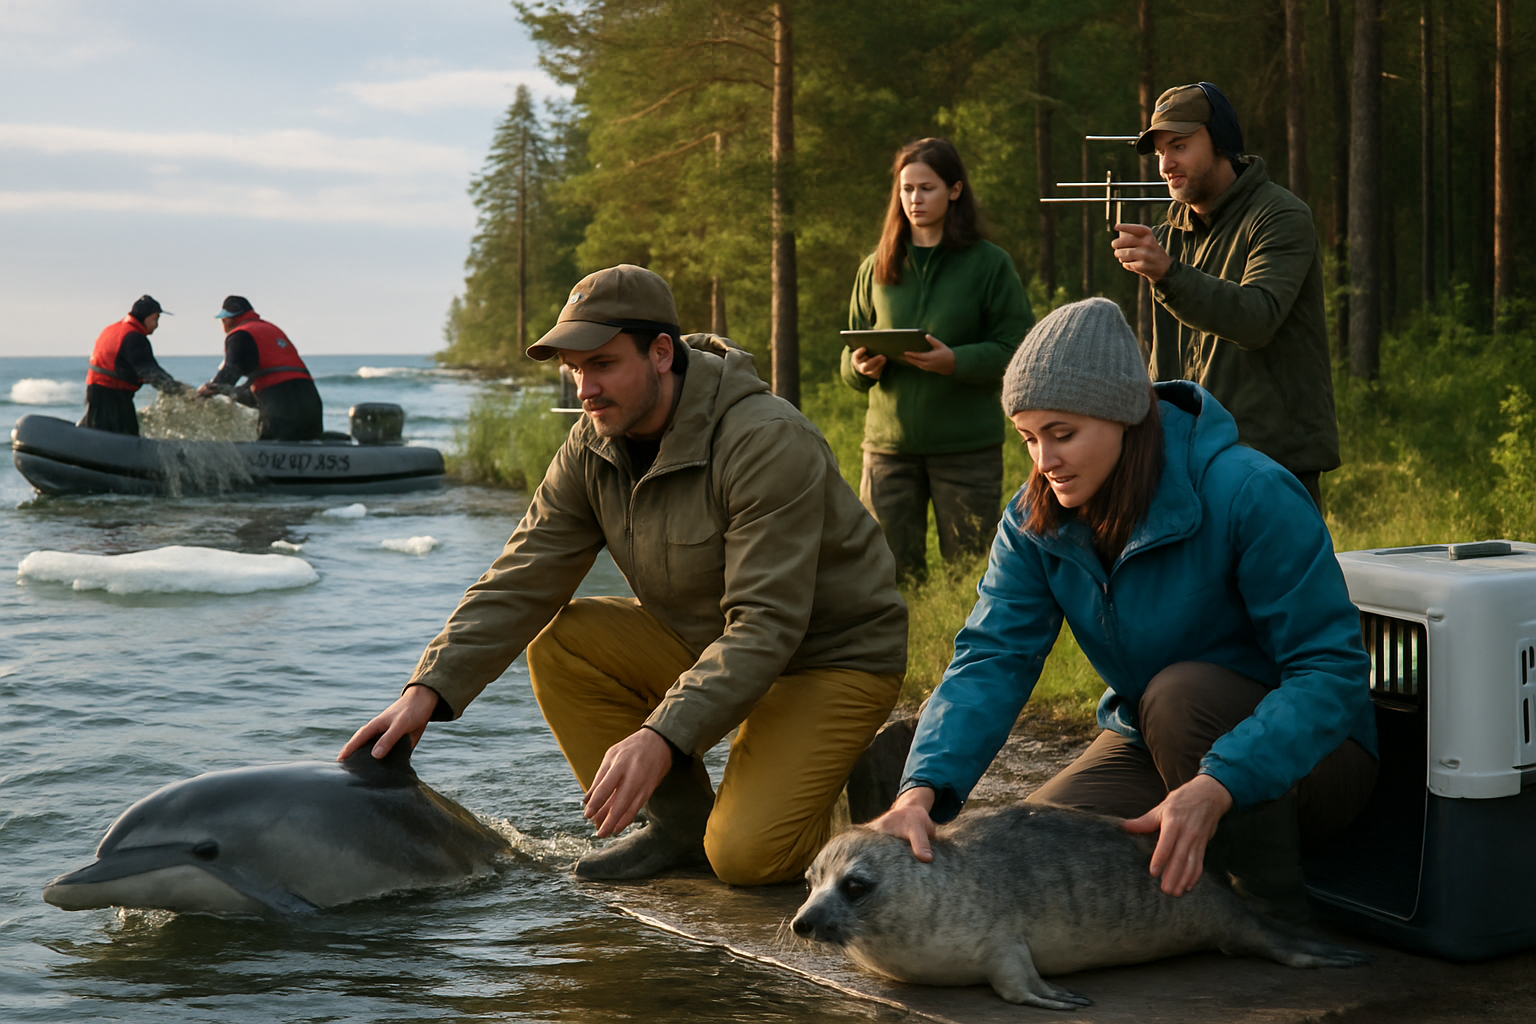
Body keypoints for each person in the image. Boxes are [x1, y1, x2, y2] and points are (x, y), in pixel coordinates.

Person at [339, 264, 908, 887]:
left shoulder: (765, 440)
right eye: (575, 368)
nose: (584, 387)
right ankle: (678, 828)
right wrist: (426, 689)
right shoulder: (591, 445)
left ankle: (865, 791)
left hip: (828, 658)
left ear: (661, 353)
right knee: (563, 640)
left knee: (747, 860)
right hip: (708, 643)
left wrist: (661, 736)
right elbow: (522, 575)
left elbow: (768, 623)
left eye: (602, 364)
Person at [872, 298, 1377, 921]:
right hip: (1150, 739)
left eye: (1063, 434)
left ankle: (1268, 917)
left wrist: (1218, 785)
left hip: (1312, 761)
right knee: (1029, 860)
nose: (1044, 461)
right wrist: (919, 791)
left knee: (1178, 695)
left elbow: (1331, 671)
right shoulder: (1035, 519)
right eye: (1029, 438)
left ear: (1126, 415)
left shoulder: (1251, 492)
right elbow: (993, 655)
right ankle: (1190, 883)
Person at [1111, 82, 1338, 508]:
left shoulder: (1280, 215)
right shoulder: (1168, 235)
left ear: (1222, 142)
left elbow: (1258, 318)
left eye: (1179, 146)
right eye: (1160, 152)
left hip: (1271, 464)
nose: (1166, 165)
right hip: (1185, 463)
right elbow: (1165, 358)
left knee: (1276, 577)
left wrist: (1169, 274)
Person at [842, 137, 1035, 582]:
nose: (914, 199)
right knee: (887, 578)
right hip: (889, 451)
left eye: (926, 188)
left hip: (965, 451)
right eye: (906, 189)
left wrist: (957, 362)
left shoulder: (990, 265)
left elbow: (1020, 350)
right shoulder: (876, 266)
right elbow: (849, 350)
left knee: (972, 577)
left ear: (954, 190)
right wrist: (859, 368)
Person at [196, 296, 323, 441]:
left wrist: (207, 391)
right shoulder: (272, 329)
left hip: (280, 402)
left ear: (228, 319)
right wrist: (227, 391)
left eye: (222, 320)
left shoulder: (239, 335)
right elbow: (270, 381)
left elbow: (229, 374)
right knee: (309, 447)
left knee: (274, 450)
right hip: (310, 398)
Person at [81, 295, 191, 435]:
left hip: (95, 391)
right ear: (146, 317)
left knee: (97, 433)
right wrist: (180, 390)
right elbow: (151, 373)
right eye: (155, 319)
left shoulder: (112, 329)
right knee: (126, 438)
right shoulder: (134, 337)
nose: (157, 325)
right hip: (113, 397)